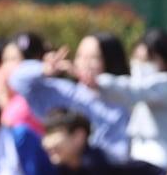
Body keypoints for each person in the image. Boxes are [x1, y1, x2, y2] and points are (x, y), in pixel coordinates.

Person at [7, 32, 132, 162]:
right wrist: (44, 68)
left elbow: (120, 153)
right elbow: (17, 80)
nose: (85, 63)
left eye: (94, 57)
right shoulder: (65, 92)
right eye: (80, 56)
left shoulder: (122, 100)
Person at [93, 29, 167, 167]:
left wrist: (97, 80)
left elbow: (133, 90)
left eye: (148, 60)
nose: (140, 65)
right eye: (136, 58)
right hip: (139, 162)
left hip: (164, 164)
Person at [0, 32, 48, 134]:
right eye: (5, 59)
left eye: (13, 59)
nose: (6, 66)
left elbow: (6, 127)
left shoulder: (27, 100)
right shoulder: (10, 96)